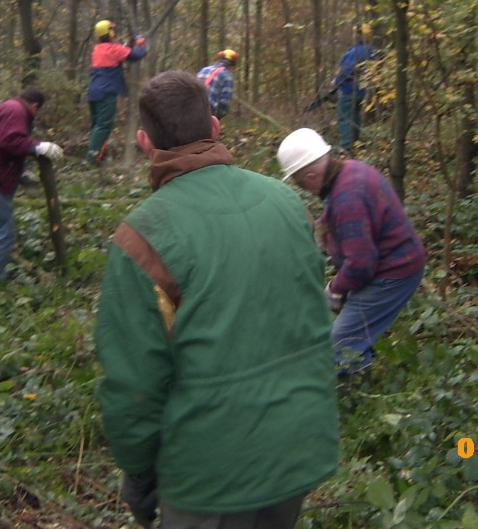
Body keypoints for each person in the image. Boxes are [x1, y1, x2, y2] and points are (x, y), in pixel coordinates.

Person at [95, 71, 338, 529]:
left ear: (146, 143)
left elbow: (135, 383)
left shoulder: (141, 238)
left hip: (210, 474)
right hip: (299, 446)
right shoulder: (288, 203)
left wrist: (139, 469)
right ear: (214, 127)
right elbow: (310, 313)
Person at [277, 127, 425, 377]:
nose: (303, 188)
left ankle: (354, 390)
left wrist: (334, 289)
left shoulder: (348, 198)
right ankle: (361, 363)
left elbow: (361, 264)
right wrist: (323, 231)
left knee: (339, 346)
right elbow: (342, 216)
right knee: (352, 333)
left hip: (393, 272)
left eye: (300, 182)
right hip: (389, 263)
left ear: (311, 175)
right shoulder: (349, 170)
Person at [0, 87, 64, 281]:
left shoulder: (1, 108)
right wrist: (37, 147)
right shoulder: (17, 111)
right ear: (35, 106)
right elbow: (9, 140)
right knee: (3, 233)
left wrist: (18, 172)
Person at [86, 19, 149, 164]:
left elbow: (121, 51)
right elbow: (135, 56)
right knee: (103, 125)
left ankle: (96, 155)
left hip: (93, 91)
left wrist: (132, 42)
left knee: (96, 126)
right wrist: (142, 46)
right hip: (106, 92)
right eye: (111, 30)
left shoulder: (98, 49)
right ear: (109, 33)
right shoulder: (114, 49)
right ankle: (91, 158)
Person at [333, 23, 376, 154]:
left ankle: (347, 147)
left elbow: (347, 71)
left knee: (345, 117)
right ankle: (356, 143)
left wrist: (336, 82)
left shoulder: (354, 52)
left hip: (349, 89)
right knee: (356, 116)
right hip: (363, 90)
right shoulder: (372, 51)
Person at [196, 48, 238, 119]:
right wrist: (217, 118)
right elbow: (224, 103)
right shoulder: (227, 76)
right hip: (207, 112)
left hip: (191, 108)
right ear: (232, 65)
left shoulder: (204, 70)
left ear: (219, 59)